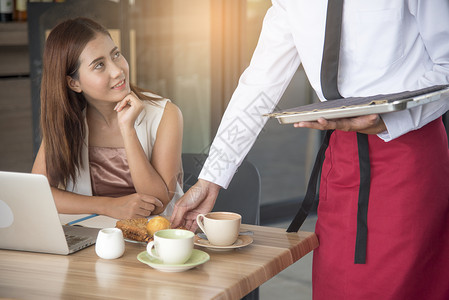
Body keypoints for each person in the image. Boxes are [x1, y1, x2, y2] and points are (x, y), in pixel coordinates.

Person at [171, 1, 449, 299]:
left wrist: (392, 118)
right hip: (340, 161)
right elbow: (259, 84)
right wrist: (210, 179)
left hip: (410, 158)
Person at [32, 17, 184, 220]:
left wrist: (127, 129)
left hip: (155, 242)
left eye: (116, 55)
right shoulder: (68, 120)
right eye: (99, 65)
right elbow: (38, 193)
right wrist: (108, 206)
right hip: (93, 238)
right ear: (74, 83)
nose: (117, 70)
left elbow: (157, 202)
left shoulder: (166, 114)